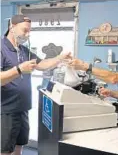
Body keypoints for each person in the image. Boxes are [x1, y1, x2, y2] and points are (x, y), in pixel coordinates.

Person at [0, 15, 71, 155]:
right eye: (24, 30)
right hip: (6, 110)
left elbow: (42, 65)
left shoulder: (23, 50)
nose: (27, 34)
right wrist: (19, 69)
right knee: (5, 150)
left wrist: (61, 57)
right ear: (12, 27)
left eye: (29, 31)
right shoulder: (1, 48)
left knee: (19, 146)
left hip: (23, 108)